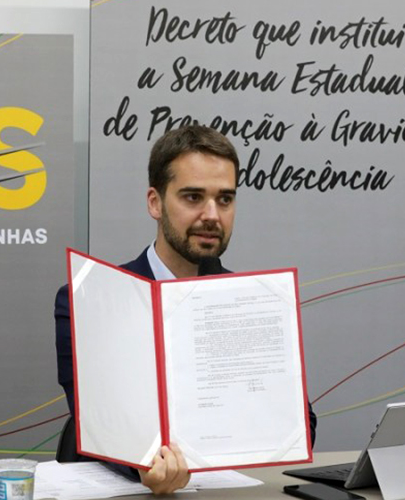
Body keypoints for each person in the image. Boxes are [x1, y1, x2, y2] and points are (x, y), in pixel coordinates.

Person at [55, 125, 317, 495]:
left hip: (224, 491)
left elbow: (301, 424)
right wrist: (144, 468)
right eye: (193, 197)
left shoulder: (253, 302)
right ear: (155, 202)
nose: (212, 215)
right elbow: (94, 423)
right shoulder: (89, 302)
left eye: (225, 199)